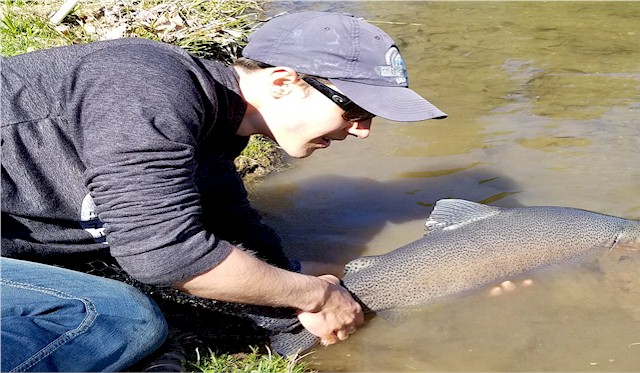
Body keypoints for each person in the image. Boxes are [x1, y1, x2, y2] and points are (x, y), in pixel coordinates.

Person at [0, 10, 446, 372]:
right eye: (356, 109)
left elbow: (245, 242)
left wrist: (429, 285)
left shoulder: (215, 131)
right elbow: (163, 255)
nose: (364, 131)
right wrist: (316, 296)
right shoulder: (147, 86)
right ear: (283, 83)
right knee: (112, 319)